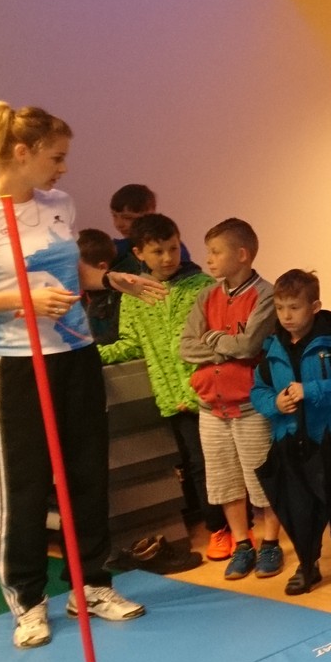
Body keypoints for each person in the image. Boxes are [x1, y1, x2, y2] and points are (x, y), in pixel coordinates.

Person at [0, 102, 145, 649]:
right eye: (56, 157)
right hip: (17, 365)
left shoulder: (58, 205)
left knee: (88, 477)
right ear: (21, 153)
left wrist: (107, 279)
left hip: (76, 355)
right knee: (23, 488)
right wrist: (20, 300)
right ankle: (27, 602)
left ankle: (90, 585)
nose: (63, 168)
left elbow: (66, 267)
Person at [98, 213, 223, 553]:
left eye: (173, 248)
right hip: (173, 398)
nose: (168, 257)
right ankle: (217, 528)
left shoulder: (202, 286)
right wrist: (89, 354)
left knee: (219, 461)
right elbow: (131, 344)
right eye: (158, 251)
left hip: (209, 391)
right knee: (195, 464)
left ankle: (236, 527)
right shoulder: (133, 295)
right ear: (138, 253)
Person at [180, 218, 283, 580]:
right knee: (225, 481)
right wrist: (225, 346)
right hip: (212, 407)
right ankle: (243, 543)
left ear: (241, 255)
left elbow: (250, 345)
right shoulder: (206, 296)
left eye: (215, 252)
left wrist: (212, 340)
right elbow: (186, 347)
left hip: (250, 404)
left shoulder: (266, 295)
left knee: (262, 478)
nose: (208, 259)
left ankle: (270, 542)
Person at [251, 269, 331, 595]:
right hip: (291, 439)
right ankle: (308, 563)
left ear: (314, 307)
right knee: (300, 506)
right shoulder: (271, 349)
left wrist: (311, 390)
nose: (286, 315)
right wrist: (275, 403)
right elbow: (258, 391)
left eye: (294, 307)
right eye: (280, 308)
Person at [105, 183, 191, 280]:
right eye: (114, 216)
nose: (119, 224)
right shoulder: (117, 247)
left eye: (128, 218)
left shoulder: (172, 246)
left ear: (149, 214)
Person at [76, 230, 119, 345]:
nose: (72, 273)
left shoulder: (119, 296)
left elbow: (115, 336)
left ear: (102, 267)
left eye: (77, 268)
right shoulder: (80, 298)